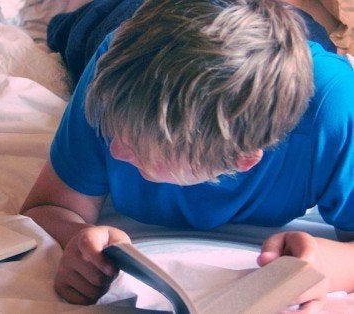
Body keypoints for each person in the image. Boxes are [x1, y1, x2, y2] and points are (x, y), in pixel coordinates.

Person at [20, 0, 354, 311]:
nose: (115, 149)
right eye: (112, 130)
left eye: (142, 148)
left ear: (243, 160)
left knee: (305, 28)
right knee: (74, 29)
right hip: (137, 22)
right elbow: (49, 206)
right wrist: (76, 238)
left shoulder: (336, 114)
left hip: (281, 43)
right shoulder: (112, 72)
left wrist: (330, 267)